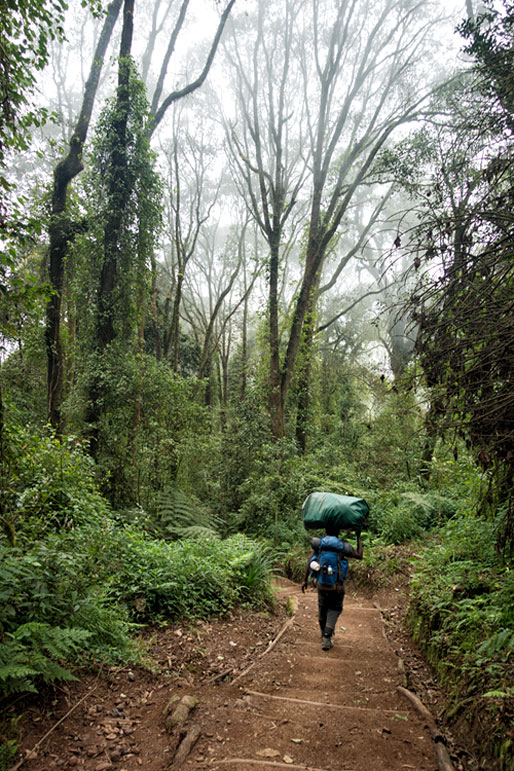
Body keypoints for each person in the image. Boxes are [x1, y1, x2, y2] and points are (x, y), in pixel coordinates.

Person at [301, 526, 363, 651]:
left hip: (321, 584)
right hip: (336, 587)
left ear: (326, 531)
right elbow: (359, 555)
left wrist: (304, 580)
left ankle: (324, 635)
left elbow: (310, 562)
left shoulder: (320, 545)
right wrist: (358, 536)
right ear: (338, 532)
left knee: (322, 609)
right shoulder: (342, 547)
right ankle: (326, 637)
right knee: (334, 609)